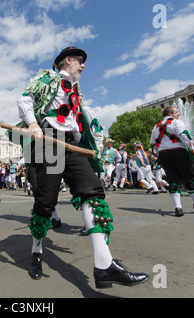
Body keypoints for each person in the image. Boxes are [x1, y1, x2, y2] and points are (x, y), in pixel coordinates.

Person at [15, 46, 148, 288]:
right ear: (68, 60)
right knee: (45, 204)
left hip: (72, 145)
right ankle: (36, 251)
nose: (83, 65)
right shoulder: (48, 78)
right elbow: (25, 99)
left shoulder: (77, 92)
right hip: (49, 142)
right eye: (80, 60)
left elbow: (81, 121)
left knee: (92, 192)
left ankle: (104, 264)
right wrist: (33, 124)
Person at [150, 106, 194, 216]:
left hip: (164, 155)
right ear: (170, 113)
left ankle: (178, 208)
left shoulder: (156, 127)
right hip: (178, 153)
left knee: (173, 180)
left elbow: (153, 144)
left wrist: (160, 152)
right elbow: (184, 135)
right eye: (176, 112)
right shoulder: (176, 122)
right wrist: (192, 148)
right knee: (188, 177)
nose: (178, 114)